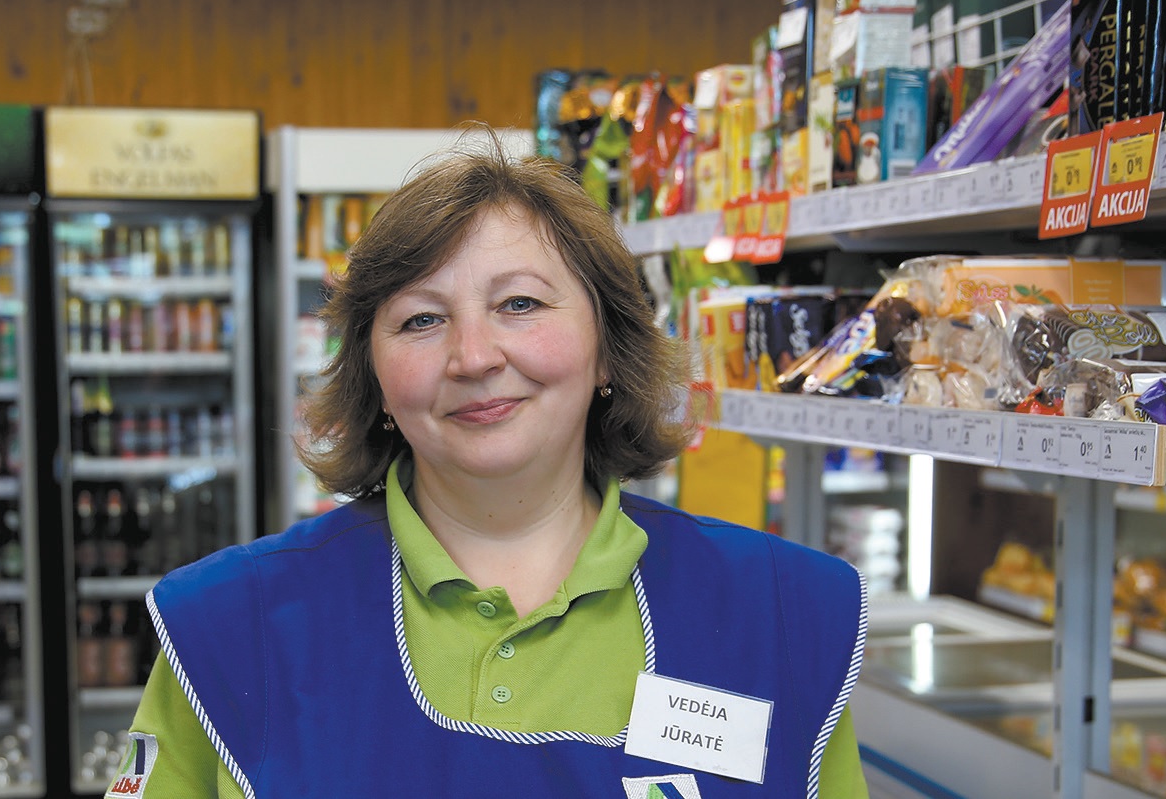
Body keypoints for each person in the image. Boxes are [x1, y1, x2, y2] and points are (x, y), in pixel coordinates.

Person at [109, 130, 868, 799]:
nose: (473, 356)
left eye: (520, 304)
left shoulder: (781, 614)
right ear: (372, 378)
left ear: (607, 346)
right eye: (421, 319)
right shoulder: (228, 626)